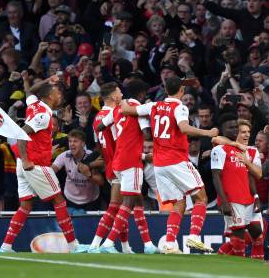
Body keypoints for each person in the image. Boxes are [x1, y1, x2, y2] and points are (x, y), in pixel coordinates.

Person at [122, 76, 219, 254]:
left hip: (159, 164)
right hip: (176, 160)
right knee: (201, 198)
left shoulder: (154, 106)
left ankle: (169, 242)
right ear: (181, 92)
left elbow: (128, 109)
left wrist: (120, 101)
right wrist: (207, 132)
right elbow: (183, 128)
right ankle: (194, 237)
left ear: (166, 90)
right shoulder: (179, 107)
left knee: (179, 202)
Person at [0, 77, 84, 253]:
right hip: (35, 164)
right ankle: (74, 246)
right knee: (59, 201)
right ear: (51, 95)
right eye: (58, 91)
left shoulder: (34, 105)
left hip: (23, 164)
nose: (61, 95)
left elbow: (30, 92)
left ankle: (5, 246)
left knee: (26, 206)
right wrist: (28, 159)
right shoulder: (43, 115)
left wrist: (46, 80)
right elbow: (22, 133)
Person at [93, 80, 158, 254]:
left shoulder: (116, 109)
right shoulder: (136, 106)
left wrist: (118, 131)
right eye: (118, 90)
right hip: (131, 161)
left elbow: (100, 126)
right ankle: (108, 243)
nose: (120, 92)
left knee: (137, 202)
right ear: (142, 95)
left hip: (118, 161)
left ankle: (148, 244)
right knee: (127, 203)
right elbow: (146, 134)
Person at [211, 119, 265, 259]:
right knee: (238, 236)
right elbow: (215, 138)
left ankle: (256, 265)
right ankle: (240, 265)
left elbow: (255, 176)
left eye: (248, 132)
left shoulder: (252, 151)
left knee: (258, 233)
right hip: (233, 198)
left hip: (249, 199)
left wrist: (256, 197)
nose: (246, 135)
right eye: (243, 132)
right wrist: (223, 201)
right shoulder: (222, 148)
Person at [88, 82, 130, 253]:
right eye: (119, 92)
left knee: (122, 207)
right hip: (119, 163)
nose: (122, 94)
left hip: (109, 164)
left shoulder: (97, 117)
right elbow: (119, 141)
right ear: (113, 96)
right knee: (116, 206)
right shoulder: (114, 115)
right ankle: (96, 244)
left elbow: (99, 145)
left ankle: (126, 247)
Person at [51, 129, 100, 213]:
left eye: (75, 141)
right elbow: (50, 172)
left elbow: (101, 182)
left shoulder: (92, 156)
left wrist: (88, 174)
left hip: (91, 201)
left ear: (83, 144)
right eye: (70, 141)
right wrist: (47, 156)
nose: (72, 144)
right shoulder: (64, 156)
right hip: (70, 199)